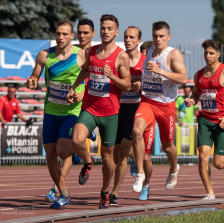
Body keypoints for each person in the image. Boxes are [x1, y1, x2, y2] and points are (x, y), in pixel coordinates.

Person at [66, 14, 131, 209]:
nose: (105, 31)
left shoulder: (121, 56)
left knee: (108, 157)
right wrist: (74, 87)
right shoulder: (91, 51)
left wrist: (112, 76)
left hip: (110, 113)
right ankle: (87, 161)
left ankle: (104, 192)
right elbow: (85, 70)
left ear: (116, 31)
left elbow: (127, 85)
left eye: (109, 28)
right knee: (76, 140)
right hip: (89, 107)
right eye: (103, 28)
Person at [26, 20, 86, 209]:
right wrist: (32, 81)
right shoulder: (45, 55)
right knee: (51, 156)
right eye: (58, 33)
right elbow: (35, 74)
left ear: (72, 36)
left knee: (62, 150)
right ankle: (64, 194)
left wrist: (80, 94)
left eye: (65, 34)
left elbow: (92, 81)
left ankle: (76, 147)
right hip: (51, 111)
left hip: (72, 112)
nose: (60, 37)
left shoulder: (82, 55)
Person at [132, 21, 187, 199]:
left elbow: (183, 78)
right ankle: (140, 173)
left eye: (161, 36)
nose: (157, 39)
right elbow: (149, 75)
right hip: (148, 101)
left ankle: (174, 168)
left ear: (168, 37)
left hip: (165, 106)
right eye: (155, 36)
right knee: (136, 129)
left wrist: (161, 71)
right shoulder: (148, 52)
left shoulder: (173, 54)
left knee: (167, 145)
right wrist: (140, 83)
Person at [44, 18, 96, 203]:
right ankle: (58, 187)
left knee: (67, 147)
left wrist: (84, 95)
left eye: (85, 33)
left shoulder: (93, 53)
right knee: (62, 151)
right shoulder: (70, 51)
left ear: (92, 34)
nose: (82, 36)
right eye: (79, 32)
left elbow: (99, 82)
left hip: (85, 107)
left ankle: (86, 159)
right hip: (59, 108)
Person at [185, 39, 224, 200]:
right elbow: (197, 94)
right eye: (206, 53)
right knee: (203, 156)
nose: (208, 56)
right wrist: (192, 100)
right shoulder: (199, 74)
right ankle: (210, 193)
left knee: (219, 164)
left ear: (218, 54)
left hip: (222, 121)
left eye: (211, 53)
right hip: (204, 119)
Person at [109, 26, 155, 205]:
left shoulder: (146, 61)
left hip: (139, 110)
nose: (128, 40)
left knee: (131, 155)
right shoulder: (118, 58)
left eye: (132, 37)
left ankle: (115, 193)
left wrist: (141, 87)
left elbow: (154, 88)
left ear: (139, 41)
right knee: (115, 155)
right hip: (118, 109)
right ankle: (135, 160)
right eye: (126, 37)